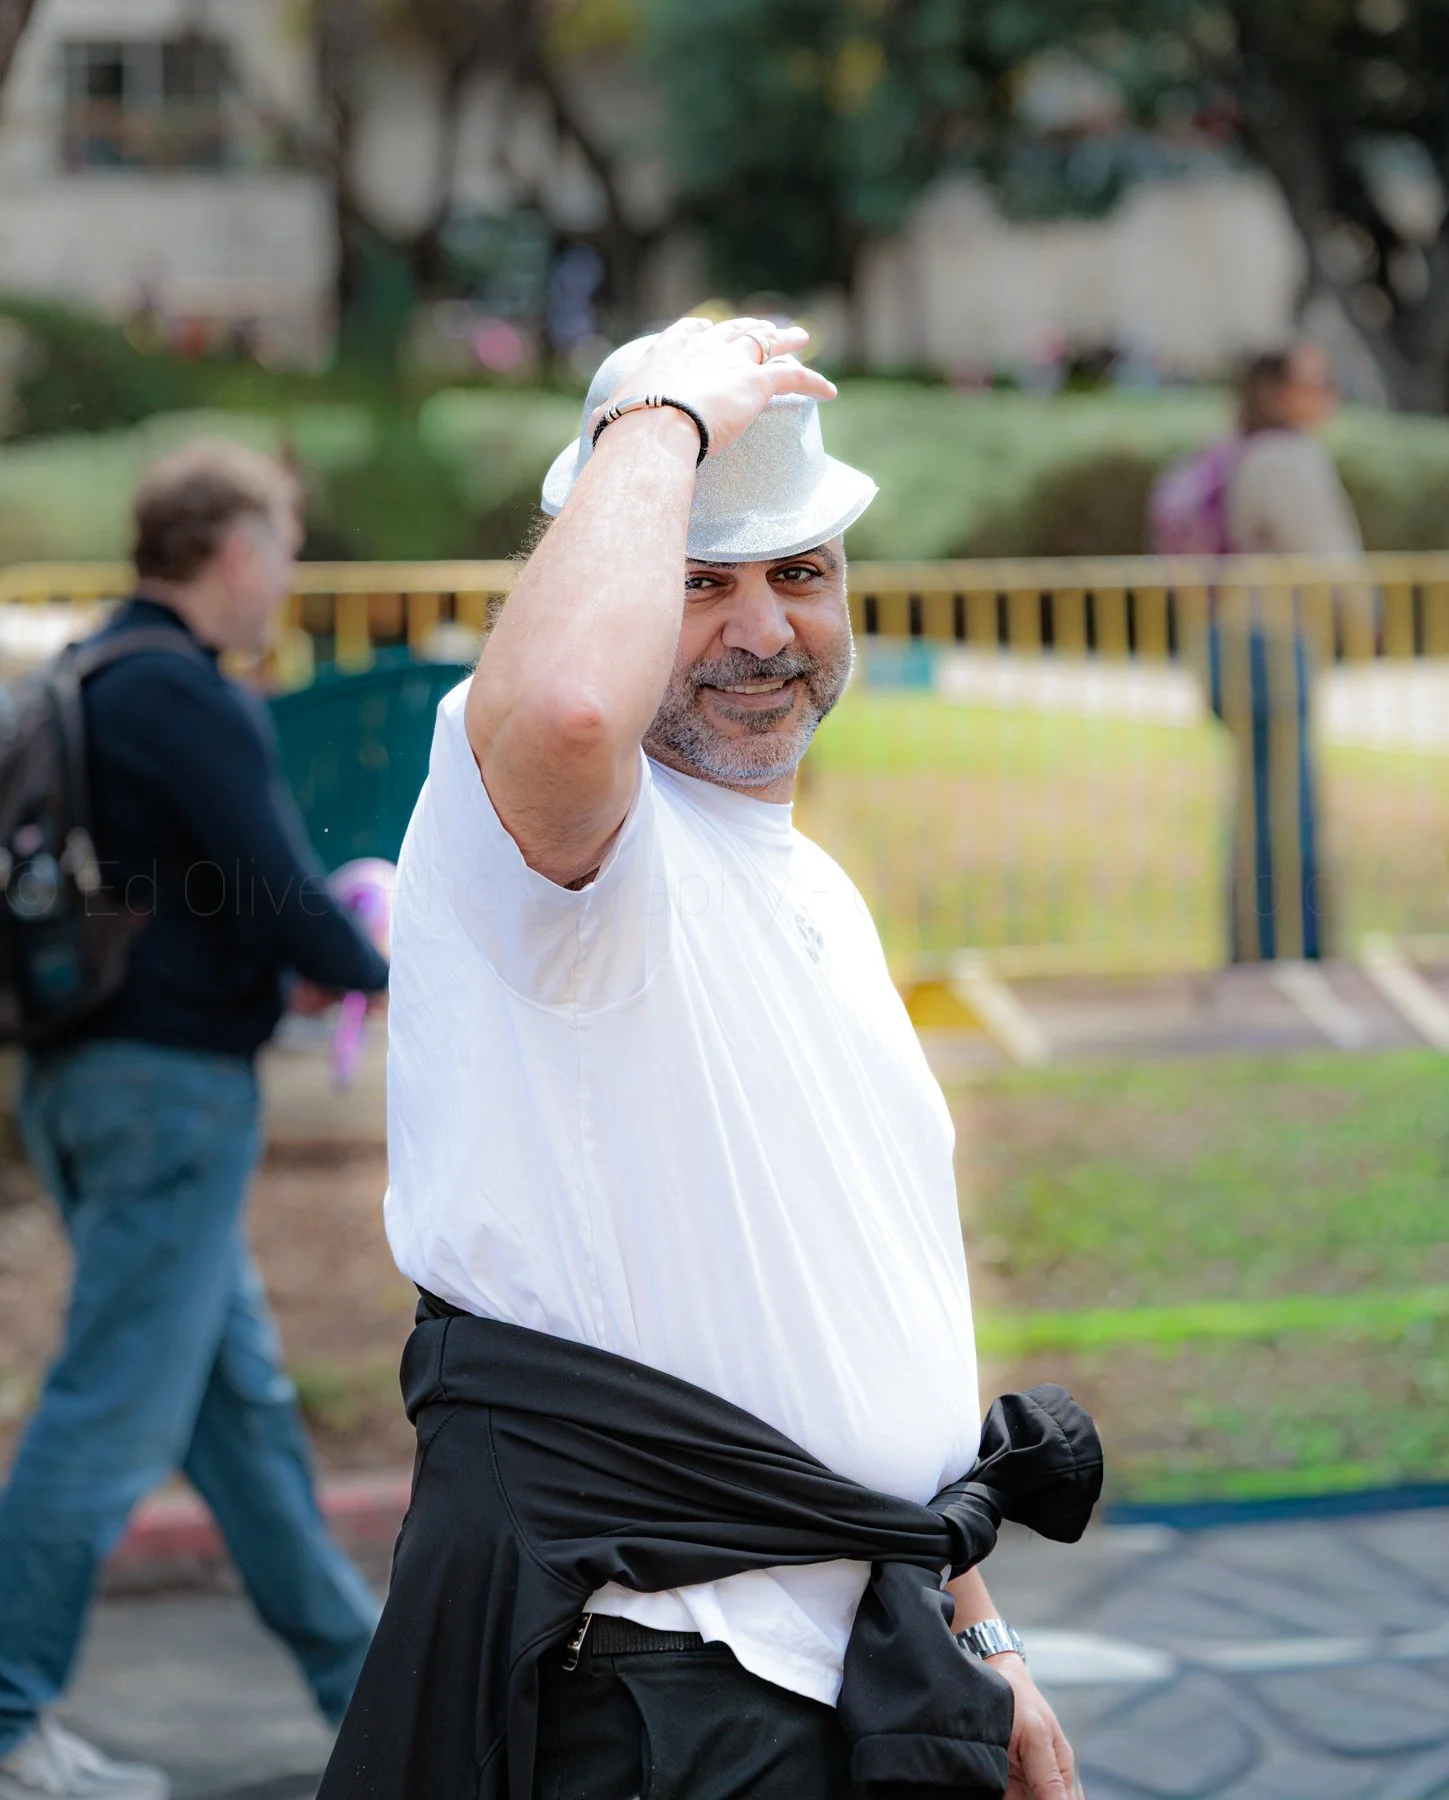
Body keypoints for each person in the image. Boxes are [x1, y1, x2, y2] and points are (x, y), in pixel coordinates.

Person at [322, 317, 1095, 1800]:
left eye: (800, 573)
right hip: (659, 1683)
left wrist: (979, 1638)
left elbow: (858, 1312)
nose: (761, 629)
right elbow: (564, 709)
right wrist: (659, 410)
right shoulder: (546, 853)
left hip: (859, 1658)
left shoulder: (809, 887)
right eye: (697, 583)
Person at [0, 442, 390, 1800]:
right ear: (232, 551)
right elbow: (277, 892)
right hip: (169, 1096)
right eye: (281, 545)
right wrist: (389, 974)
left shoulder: (83, 678)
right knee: (105, 1420)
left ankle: (380, 1703)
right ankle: (0, 1720)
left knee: (240, 1418)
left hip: (73, 1083)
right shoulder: (190, 695)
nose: (285, 576)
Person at [1149, 345, 1362, 959]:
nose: (1329, 395)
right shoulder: (1288, 459)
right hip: (1269, 644)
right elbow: (1330, 560)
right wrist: (1373, 619)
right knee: (1286, 808)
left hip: (1218, 643)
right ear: (1279, 393)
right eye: (1319, 382)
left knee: (1257, 804)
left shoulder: (1224, 453)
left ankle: (1257, 943)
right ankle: (1289, 948)